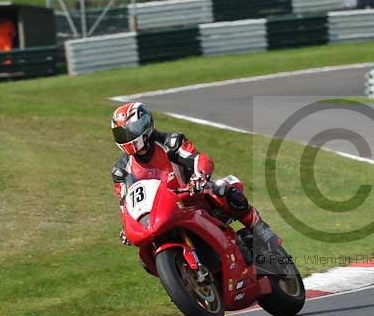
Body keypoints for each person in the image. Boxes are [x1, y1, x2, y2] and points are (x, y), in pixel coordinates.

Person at [110, 102, 278, 248]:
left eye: (129, 132)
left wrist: (200, 177)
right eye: (121, 134)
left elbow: (199, 159)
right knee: (145, 256)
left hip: (192, 197)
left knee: (224, 191)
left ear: (144, 126)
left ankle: (265, 235)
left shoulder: (170, 142)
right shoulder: (121, 170)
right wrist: (127, 226)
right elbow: (125, 203)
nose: (126, 138)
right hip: (160, 214)